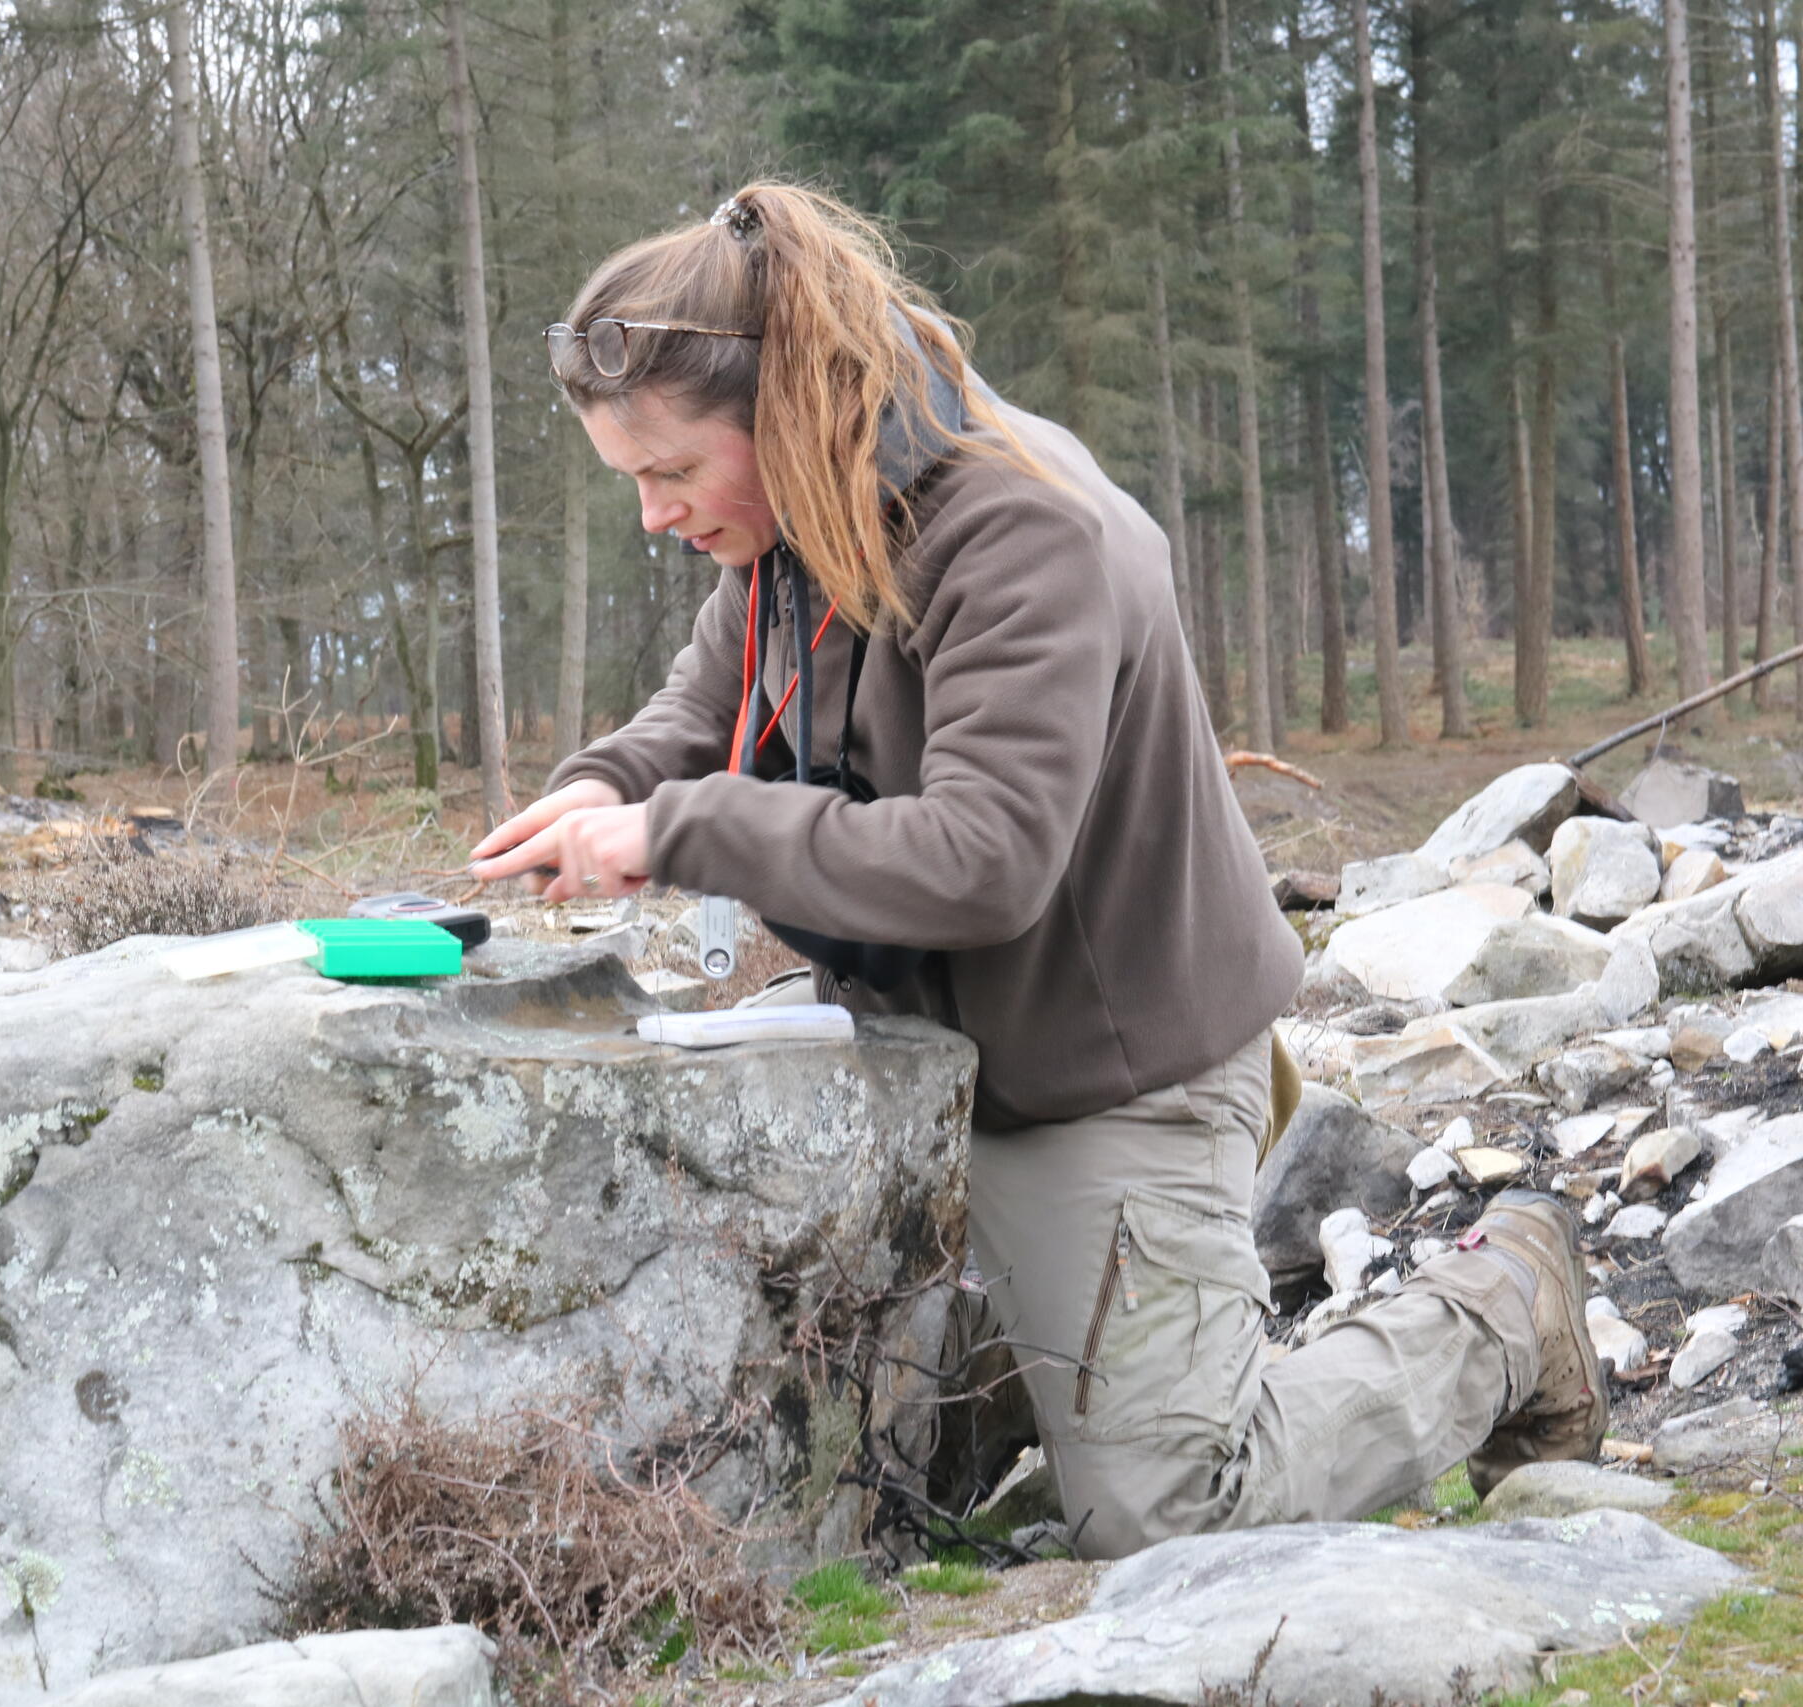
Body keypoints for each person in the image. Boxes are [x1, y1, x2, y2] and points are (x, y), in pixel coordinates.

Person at [467, 182, 1604, 1559]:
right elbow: (695, 715)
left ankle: (1501, 1304)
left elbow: (984, 860)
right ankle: (1061, 1355)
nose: (654, 517)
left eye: (667, 474)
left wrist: (676, 831)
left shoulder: (1018, 528)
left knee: (1171, 1507)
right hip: (940, 1071)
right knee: (859, 1463)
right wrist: (599, 789)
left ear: (776, 416)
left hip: (1111, 1080)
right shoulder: (795, 530)